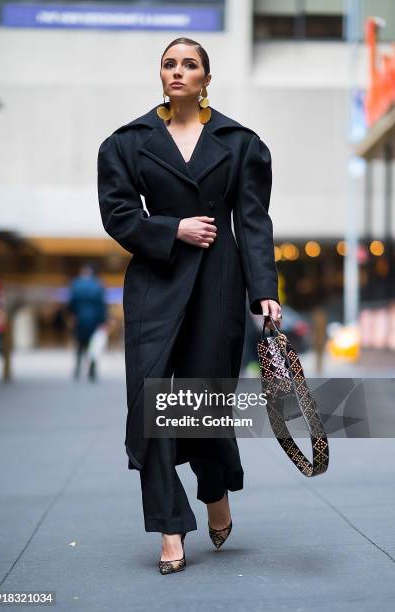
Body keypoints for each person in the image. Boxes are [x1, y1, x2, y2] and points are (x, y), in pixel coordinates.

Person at [97, 37, 282, 574]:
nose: (178, 71)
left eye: (190, 64)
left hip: (218, 283)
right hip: (156, 279)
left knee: (204, 400)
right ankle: (169, 526)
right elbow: (118, 214)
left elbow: (252, 222)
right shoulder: (127, 143)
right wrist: (171, 228)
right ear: (161, 74)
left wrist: (264, 290)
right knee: (149, 402)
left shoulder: (240, 142)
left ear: (206, 78)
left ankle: (216, 487)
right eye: (169, 63)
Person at [67, 263, 107, 381]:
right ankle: (92, 370)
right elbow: (101, 305)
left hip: (80, 318)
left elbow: (72, 302)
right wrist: (102, 320)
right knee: (94, 345)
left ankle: (78, 368)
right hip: (94, 319)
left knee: (80, 344)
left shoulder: (76, 284)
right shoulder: (98, 285)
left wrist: (72, 314)